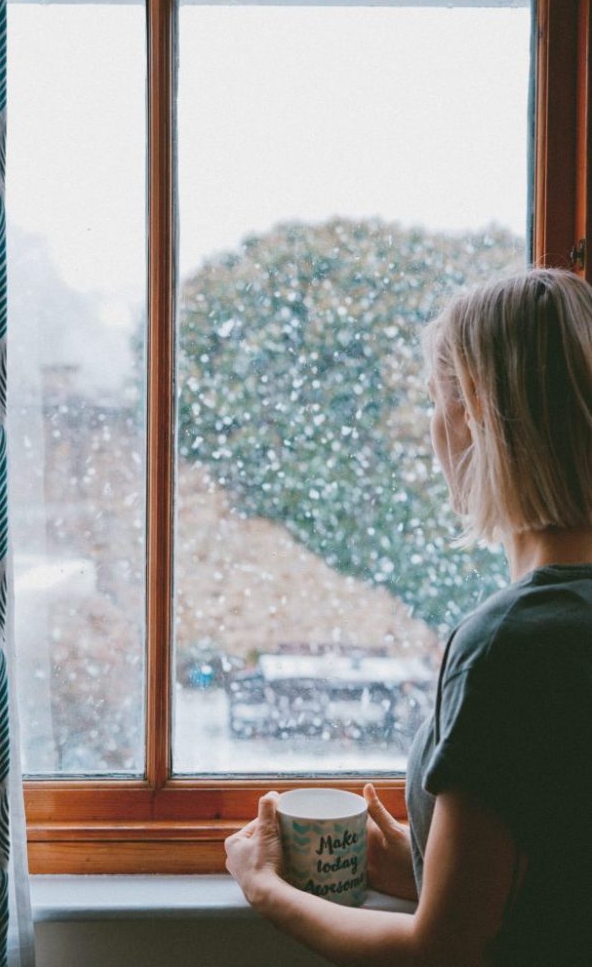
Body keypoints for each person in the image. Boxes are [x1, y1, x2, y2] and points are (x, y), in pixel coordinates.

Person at [225, 267, 592, 966]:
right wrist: (423, 858)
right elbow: (557, 877)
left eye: (434, 400)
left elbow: (442, 950)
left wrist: (264, 887)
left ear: (474, 412)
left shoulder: (507, 645)